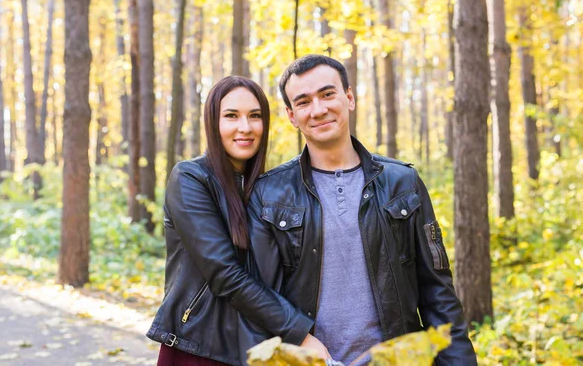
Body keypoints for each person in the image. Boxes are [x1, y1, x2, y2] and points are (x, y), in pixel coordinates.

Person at [247, 55, 478, 365]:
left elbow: (438, 293)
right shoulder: (269, 193)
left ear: (349, 98)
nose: (318, 110)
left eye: (328, 94)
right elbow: (260, 298)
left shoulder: (402, 183)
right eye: (303, 102)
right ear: (291, 116)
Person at [146, 76, 327, 366]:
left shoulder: (271, 187)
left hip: (259, 346)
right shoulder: (191, 179)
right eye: (232, 116)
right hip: (200, 346)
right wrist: (300, 333)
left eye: (255, 116)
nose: (245, 127)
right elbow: (224, 275)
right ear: (213, 123)